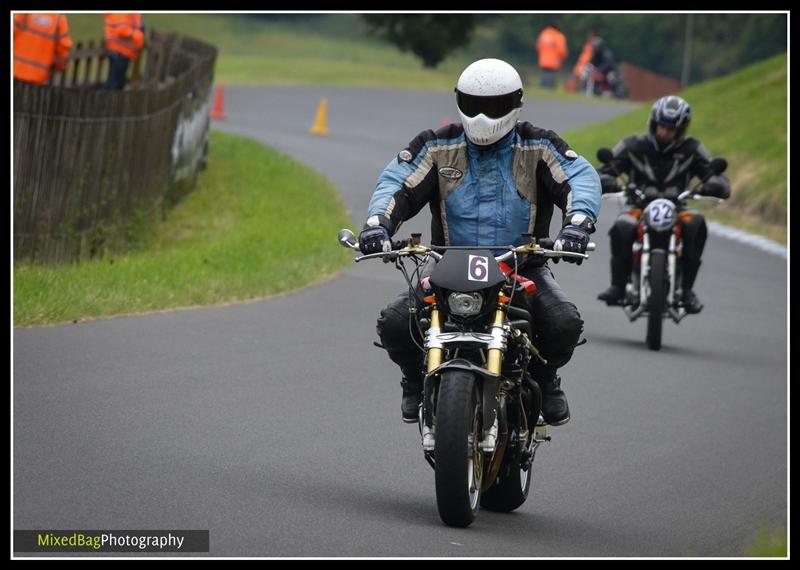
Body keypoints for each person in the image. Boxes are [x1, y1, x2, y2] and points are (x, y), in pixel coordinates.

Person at [359, 58, 601, 426]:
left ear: (516, 103)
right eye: (474, 105)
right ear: (458, 100)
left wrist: (578, 226)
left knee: (563, 321)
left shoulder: (540, 145)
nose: (484, 116)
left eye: (494, 106)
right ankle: (413, 381)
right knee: (395, 321)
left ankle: (545, 378)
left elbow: (579, 177)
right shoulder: (436, 147)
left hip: (522, 264)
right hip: (447, 265)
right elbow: (398, 181)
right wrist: (377, 225)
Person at [597, 95, 731, 313]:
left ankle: (687, 290)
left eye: (671, 129)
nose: (665, 132)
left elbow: (714, 174)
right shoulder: (633, 145)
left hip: (678, 209)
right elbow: (606, 170)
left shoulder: (692, 148)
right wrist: (608, 180)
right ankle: (618, 286)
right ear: (654, 123)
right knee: (622, 225)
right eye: (662, 126)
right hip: (639, 208)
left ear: (681, 129)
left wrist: (714, 184)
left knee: (695, 223)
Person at [13, 13, 72, 85]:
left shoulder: (23, 14)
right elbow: (62, 49)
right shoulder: (59, 19)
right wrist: (61, 66)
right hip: (39, 77)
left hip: (16, 71)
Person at [103, 13, 145, 90]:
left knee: (117, 82)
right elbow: (122, 29)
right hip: (121, 51)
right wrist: (138, 35)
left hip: (119, 50)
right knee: (114, 85)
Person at [535, 23, 568, 89]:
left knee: (544, 75)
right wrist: (564, 57)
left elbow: (538, 47)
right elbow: (562, 50)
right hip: (554, 60)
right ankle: (549, 88)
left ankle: (543, 88)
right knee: (551, 77)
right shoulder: (558, 36)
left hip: (543, 59)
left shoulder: (543, 34)